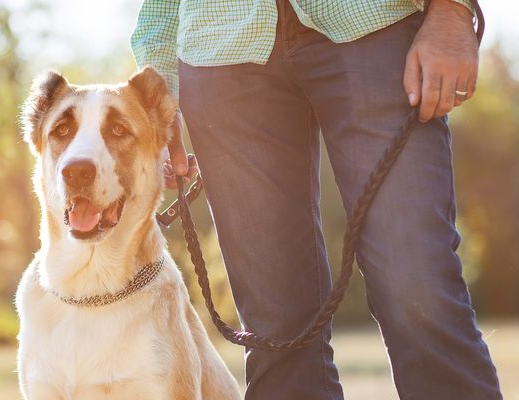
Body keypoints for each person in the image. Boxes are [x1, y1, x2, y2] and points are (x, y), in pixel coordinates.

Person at [130, 0, 502, 399]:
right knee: (275, 330)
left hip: (372, 21)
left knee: (417, 291)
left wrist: (451, 11)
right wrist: (157, 92)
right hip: (220, 44)